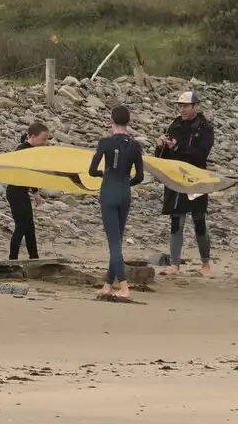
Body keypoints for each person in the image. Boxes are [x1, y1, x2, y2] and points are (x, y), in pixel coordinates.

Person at [154, 90, 215, 276]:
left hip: (196, 180)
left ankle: (205, 262)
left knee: (199, 221)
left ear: (196, 106)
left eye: (186, 106)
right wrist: (161, 145)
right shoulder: (175, 125)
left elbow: (201, 154)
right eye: (180, 106)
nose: (182, 109)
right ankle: (174, 264)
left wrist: (178, 147)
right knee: (176, 220)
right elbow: (163, 157)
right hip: (176, 179)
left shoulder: (205, 127)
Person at [88, 105, 145, 300]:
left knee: (114, 244)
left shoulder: (104, 142)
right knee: (117, 242)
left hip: (109, 193)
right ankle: (107, 285)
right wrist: (126, 183)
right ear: (128, 122)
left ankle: (124, 287)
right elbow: (140, 176)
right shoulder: (136, 145)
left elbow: (92, 171)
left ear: (111, 120)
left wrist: (104, 173)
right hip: (124, 193)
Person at [6, 121, 50, 261]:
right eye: (43, 139)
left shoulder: (33, 150)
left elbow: (31, 173)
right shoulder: (22, 149)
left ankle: (34, 257)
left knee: (29, 227)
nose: (45, 142)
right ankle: (12, 259)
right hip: (15, 192)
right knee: (22, 226)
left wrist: (35, 192)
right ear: (32, 136)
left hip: (22, 191)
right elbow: (24, 171)